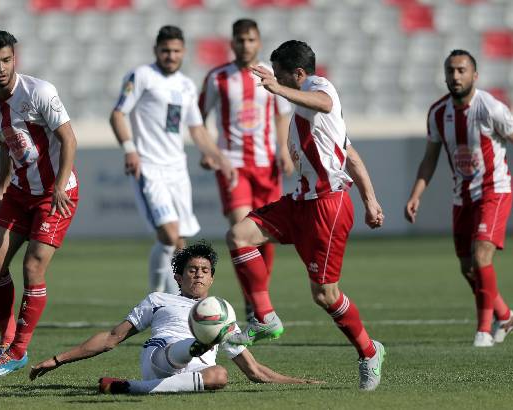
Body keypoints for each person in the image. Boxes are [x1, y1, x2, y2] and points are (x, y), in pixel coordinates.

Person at [224, 40, 386, 391]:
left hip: (327, 207)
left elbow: (325, 103)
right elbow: (350, 154)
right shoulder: (308, 116)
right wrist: (371, 199)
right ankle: (265, 318)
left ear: (298, 74)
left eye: (282, 74)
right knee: (239, 236)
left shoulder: (319, 88)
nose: (275, 81)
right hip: (300, 201)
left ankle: (369, 352)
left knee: (325, 295)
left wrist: (277, 88)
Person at [29, 241, 318, 394]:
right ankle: (196, 345)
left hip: (198, 371)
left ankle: (130, 388)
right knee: (180, 351)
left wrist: (299, 383)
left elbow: (255, 372)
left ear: (212, 278)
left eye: (205, 271)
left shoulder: (221, 310)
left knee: (220, 375)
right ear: (178, 277)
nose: (199, 275)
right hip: (161, 358)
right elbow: (111, 338)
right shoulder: (159, 300)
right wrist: (57, 360)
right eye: (192, 270)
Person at [405, 49, 513, 348]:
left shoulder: (490, 108)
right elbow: (430, 159)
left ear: (474, 75)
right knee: (468, 267)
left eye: (462, 70)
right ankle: (504, 315)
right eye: (451, 71)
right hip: (462, 197)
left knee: (481, 257)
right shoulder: (438, 113)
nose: (455, 76)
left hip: (494, 191)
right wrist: (416, 194)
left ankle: (483, 330)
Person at [0, 29, 80, 377]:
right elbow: (7, 147)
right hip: (20, 192)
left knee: (33, 267)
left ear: (14, 58)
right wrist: (1, 189)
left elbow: (68, 139)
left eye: (6, 60)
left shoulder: (40, 92)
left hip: (55, 193)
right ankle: (6, 343)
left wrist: (61, 185)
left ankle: (18, 351)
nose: (1, 67)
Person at [110, 25, 236, 295]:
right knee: (169, 235)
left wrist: (219, 158)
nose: (170, 55)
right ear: (156, 50)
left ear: (184, 52)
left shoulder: (186, 86)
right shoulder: (142, 76)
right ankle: (159, 296)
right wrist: (130, 149)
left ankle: (172, 302)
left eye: (176, 50)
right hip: (149, 167)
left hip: (177, 170)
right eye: (165, 50)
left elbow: (197, 129)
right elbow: (118, 114)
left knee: (179, 243)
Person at [199, 19, 293, 320]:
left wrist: (283, 149)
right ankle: (254, 305)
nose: (245, 45)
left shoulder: (269, 75)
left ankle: (258, 299)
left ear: (259, 42)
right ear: (232, 42)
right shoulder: (218, 78)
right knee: (241, 231)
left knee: (263, 237)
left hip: (267, 166)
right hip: (233, 167)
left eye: (250, 40)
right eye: (240, 40)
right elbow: (198, 118)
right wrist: (209, 152)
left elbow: (281, 116)